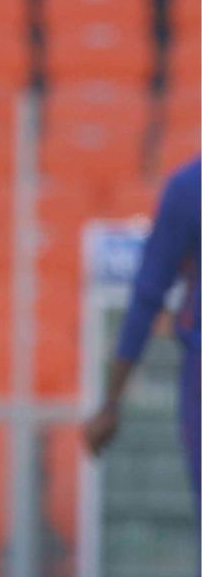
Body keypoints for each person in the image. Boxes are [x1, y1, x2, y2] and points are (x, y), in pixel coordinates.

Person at [84, 154, 200, 507]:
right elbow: (149, 292)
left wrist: (111, 403)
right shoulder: (190, 188)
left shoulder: (190, 186)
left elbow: (149, 291)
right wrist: (111, 401)